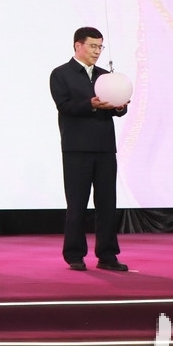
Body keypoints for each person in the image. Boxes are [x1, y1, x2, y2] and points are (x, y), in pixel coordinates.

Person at [50, 26, 129, 271]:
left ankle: (107, 255)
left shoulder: (105, 76)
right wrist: (91, 104)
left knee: (107, 203)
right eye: (93, 46)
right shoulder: (61, 74)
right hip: (76, 148)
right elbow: (64, 106)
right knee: (77, 204)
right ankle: (74, 254)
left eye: (100, 47)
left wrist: (119, 105)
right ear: (78, 45)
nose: (97, 51)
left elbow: (119, 108)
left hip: (105, 147)